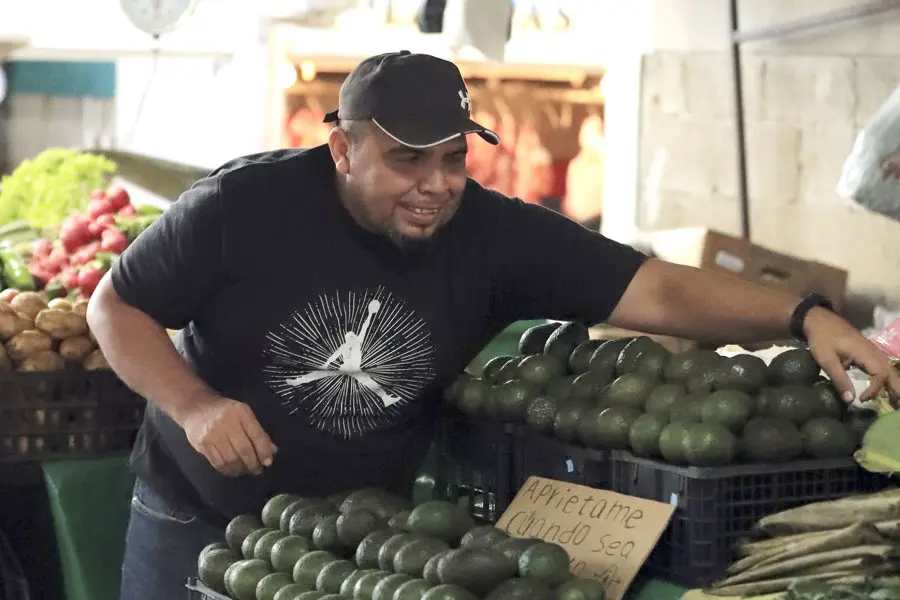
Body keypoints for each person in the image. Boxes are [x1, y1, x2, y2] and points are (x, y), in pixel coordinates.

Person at [86, 51, 900, 600]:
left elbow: (655, 290)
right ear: (342, 150)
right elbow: (115, 307)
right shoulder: (240, 208)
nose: (435, 185)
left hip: (366, 542)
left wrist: (802, 314)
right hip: (197, 519)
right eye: (407, 159)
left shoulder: (494, 235)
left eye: (453, 158)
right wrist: (194, 406)